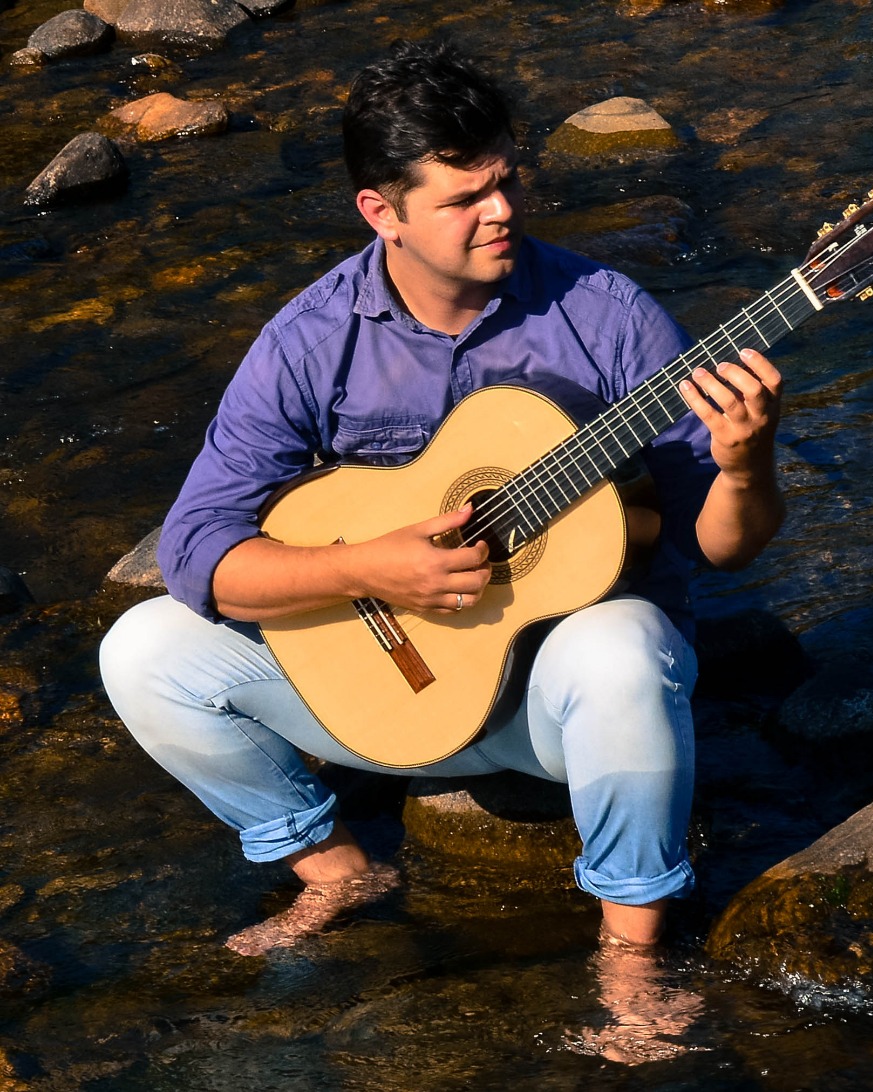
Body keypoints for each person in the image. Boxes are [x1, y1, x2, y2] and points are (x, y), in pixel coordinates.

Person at [99, 36, 784, 960]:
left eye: (505, 181)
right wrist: (373, 568)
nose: (500, 211)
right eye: (463, 199)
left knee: (625, 645)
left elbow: (720, 546)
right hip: (390, 686)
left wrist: (745, 467)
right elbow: (194, 553)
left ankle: (631, 952)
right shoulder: (313, 340)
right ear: (382, 212)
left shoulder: (607, 315)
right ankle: (336, 869)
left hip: (558, 707)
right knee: (144, 650)